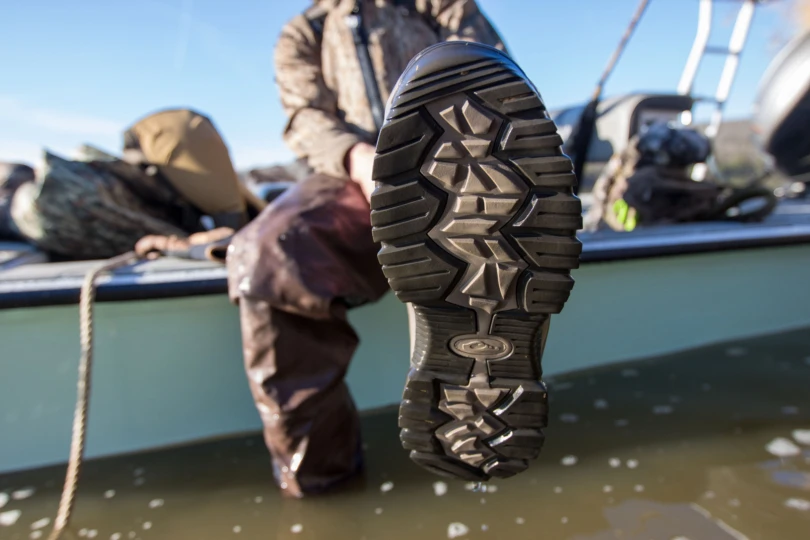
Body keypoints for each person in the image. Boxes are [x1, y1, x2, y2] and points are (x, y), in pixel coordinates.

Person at [226, 0, 581, 497]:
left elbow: (493, 76)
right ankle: (324, 491)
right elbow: (305, 116)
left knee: (481, 185)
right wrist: (359, 159)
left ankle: (472, 258)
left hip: (474, 173)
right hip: (351, 174)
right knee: (269, 255)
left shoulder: (442, 6)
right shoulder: (303, 32)